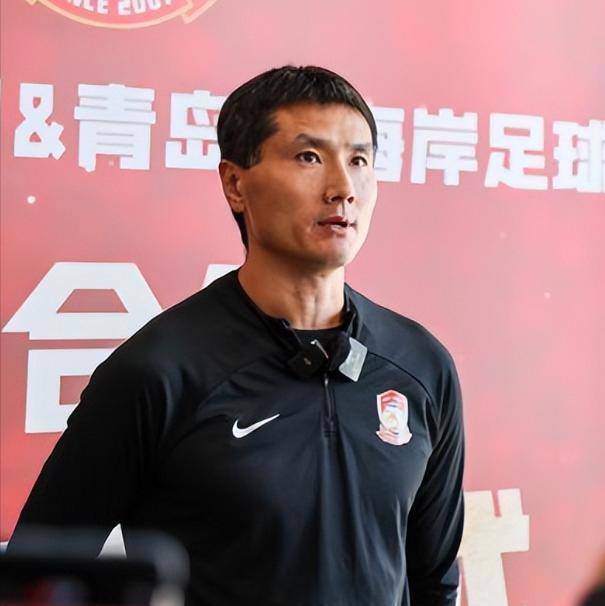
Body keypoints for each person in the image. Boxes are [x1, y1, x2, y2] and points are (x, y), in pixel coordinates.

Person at [8, 65, 465, 606]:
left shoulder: (421, 365)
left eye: (359, 161)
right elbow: (33, 582)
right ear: (235, 183)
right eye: (309, 157)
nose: (343, 189)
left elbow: (434, 581)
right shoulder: (158, 372)